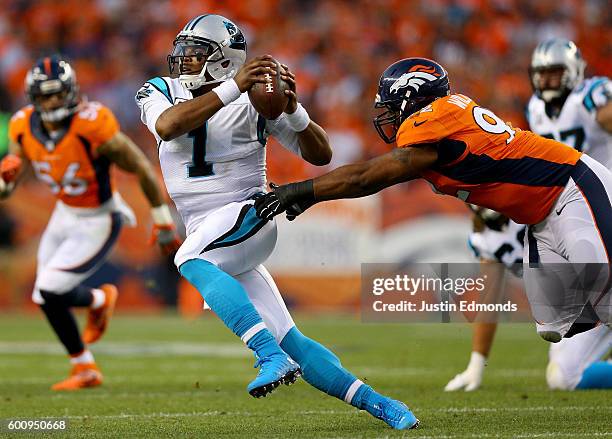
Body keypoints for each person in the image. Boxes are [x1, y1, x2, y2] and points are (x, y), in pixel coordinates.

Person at [135, 14, 418, 430]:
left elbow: (319, 155)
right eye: (183, 51)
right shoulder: (161, 90)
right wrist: (235, 87)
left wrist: (294, 109)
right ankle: (385, 406)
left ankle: (267, 355)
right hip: (212, 230)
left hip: (251, 212)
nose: (184, 60)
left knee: (190, 261)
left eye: (196, 53)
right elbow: (169, 125)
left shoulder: (256, 100)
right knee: (294, 340)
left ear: (222, 60)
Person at [255, 56, 612, 344]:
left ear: (414, 99)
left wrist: (302, 191)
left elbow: (369, 177)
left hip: (572, 186)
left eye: (394, 106)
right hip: (539, 216)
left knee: (601, 286)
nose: (390, 116)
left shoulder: (434, 118)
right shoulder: (447, 120)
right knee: (554, 323)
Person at [0, 55, 181, 390]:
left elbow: (140, 165)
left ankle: (99, 302)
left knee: (50, 289)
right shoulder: (22, 125)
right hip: (64, 214)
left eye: (57, 93)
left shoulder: (91, 122)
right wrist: (5, 178)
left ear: (70, 92)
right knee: (45, 296)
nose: (52, 101)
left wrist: (162, 219)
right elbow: (7, 188)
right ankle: (84, 365)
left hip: (100, 216)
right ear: (33, 97)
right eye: (45, 95)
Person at [446, 38, 612, 392]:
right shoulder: (536, 110)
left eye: (556, 73)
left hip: (600, 203)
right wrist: (477, 364)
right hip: (566, 209)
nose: (549, 82)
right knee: (563, 376)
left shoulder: (591, 96)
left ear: (574, 72)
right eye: (543, 74)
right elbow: (490, 286)